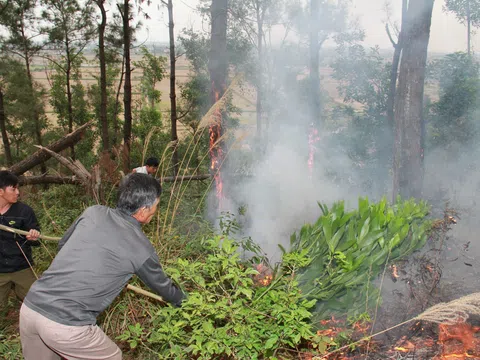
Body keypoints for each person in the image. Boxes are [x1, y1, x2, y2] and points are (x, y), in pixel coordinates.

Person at [20, 173, 186, 360]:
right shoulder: (141, 248)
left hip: (31, 308)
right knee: (113, 356)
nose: (157, 209)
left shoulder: (94, 212)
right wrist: (186, 303)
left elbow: (62, 245)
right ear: (143, 211)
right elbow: (163, 287)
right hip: (67, 325)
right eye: (156, 205)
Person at [0, 170, 40, 307]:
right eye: (13, 188)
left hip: (21, 266)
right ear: (0, 192)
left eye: (18, 188)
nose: (18, 192)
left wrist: (33, 237)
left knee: (37, 302)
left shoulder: (24, 211)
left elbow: (36, 240)